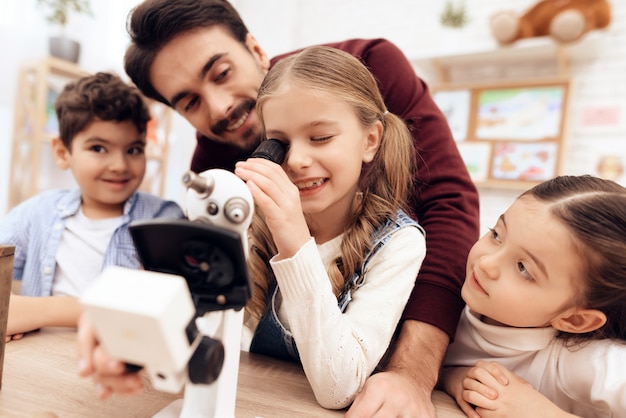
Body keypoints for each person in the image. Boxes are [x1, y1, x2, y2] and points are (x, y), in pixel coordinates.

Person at [77, 1, 480, 414]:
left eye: (221, 73)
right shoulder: (214, 161)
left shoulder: (371, 67)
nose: (218, 108)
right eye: (189, 102)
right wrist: (127, 317)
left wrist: (413, 371)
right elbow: (196, 265)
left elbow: (450, 206)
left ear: (254, 49)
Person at [230, 45, 425, 408]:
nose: (298, 160)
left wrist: (294, 242)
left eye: (320, 138)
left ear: (370, 141)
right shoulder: (249, 225)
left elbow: (340, 388)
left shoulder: (398, 244)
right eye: (280, 143)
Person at [0, 72, 185, 343]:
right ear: (63, 153)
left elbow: (149, 309)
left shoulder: (163, 217)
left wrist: (34, 311)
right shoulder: (37, 212)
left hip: (120, 369)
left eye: (134, 149)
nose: (120, 165)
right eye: (99, 148)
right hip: (39, 363)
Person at [438, 175, 626, 418]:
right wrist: (455, 378)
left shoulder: (586, 361)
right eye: (496, 235)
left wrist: (540, 413)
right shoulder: (448, 297)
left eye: (523, 269)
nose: (486, 264)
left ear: (574, 320)